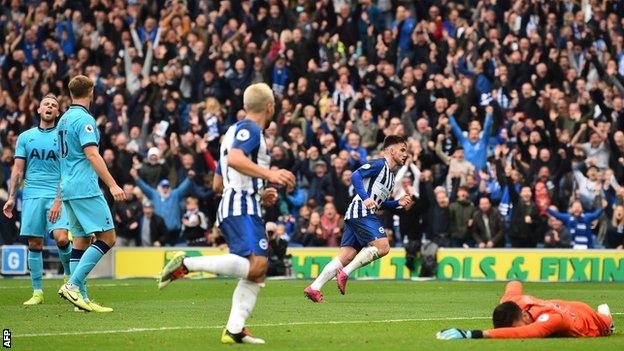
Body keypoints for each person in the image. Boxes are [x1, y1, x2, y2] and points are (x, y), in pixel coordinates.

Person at [157, 83, 295, 345]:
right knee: (258, 265)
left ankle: (234, 329)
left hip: (242, 201)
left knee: (257, 270)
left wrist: (259, 191)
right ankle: (186, 264)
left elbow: (218, 185)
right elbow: (234, 159)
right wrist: (269, 175)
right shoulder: (251, 128)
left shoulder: (231, 132)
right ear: (270, 107)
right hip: (240, 204)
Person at [304, 135, 412, 302]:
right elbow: (355, 176)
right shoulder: (379, 165)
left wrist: (397, 202)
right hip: (361, 211)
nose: (406, 154)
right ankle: (345, 273)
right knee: (383, 247)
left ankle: (314, 287)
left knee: (346, 257)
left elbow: (378, 204)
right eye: (402, 150)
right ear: (391, 150)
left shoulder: (390, 177)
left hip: (358, 212)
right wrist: (365, 197)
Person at [57, 75, 126, 313]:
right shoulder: (84, 120)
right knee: (108, 237)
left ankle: (80, 301)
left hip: (68, 187)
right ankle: (73, 285)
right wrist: (113, 184)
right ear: (91, 92)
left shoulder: (63, 119)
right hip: (84, 187)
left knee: (81, 241)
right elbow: (92, 155)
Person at [2, 94, 72, 306]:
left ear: (58, 113)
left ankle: (69, 277)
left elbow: (65, 171)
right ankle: (37, 292)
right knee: (34, 243)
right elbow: (18, 169)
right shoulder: (25, 137)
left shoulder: (63, 137)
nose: (50, 107)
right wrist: (12, 197)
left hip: (55, 193)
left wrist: (59, 200)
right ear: (39, 110)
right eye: (46, 104)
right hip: (32, 194)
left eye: (54, 105)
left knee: (61, 238)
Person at [437, 281, 613, 339]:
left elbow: (527, 332)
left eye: (516, 326)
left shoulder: (553, 320)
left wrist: (474, 334)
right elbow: (514, 283)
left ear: (523, 315)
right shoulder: (511, 301)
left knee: (606, 322)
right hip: (563, 305)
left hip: (590, 320)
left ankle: (606, 315)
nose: (516, 330)